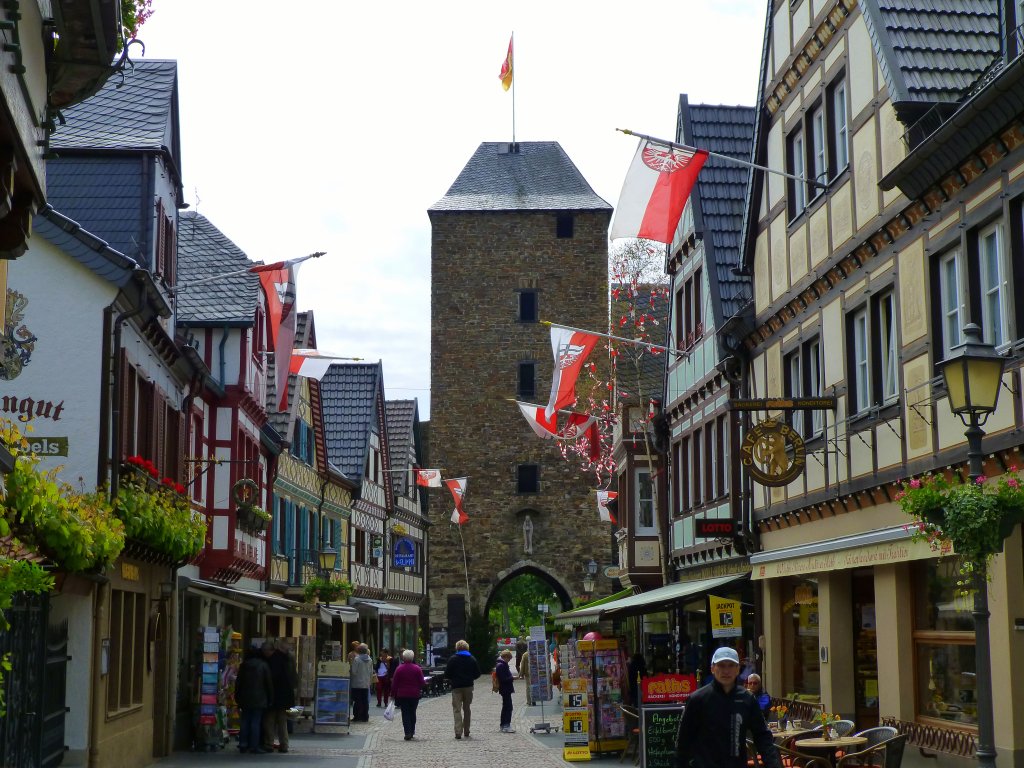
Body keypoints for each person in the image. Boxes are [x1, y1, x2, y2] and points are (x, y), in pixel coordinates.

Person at [675, 647, 780, 768]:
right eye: (721, 665)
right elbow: (683, 742)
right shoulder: (698, 699)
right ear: (712, 668)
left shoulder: (747, 699)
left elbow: (762, 736)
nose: (726, 670)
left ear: (737, 670)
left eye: (731, 665)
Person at [234, 647, 273, 754]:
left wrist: (237, 697)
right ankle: (254, 745)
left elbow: (238, 683)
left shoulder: (243, 666)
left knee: (245, 720)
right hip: (259, 698)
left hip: (245, 698)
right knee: (256, 722)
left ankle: (243, 743)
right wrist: (270, 698)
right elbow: (268, 683)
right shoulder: (263, 665)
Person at [261, 639, 298, 753]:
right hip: (285, 696)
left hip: (275, 696)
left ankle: (269, 743)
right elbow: (293, 678)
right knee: (282, 722)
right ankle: (284, 745)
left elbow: (271, 679)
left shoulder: (273, 660)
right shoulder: (287, 659)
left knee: (269, 721)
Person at [444, 639, 481, 740]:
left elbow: (447, 674)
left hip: (456, 687)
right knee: (467, 708)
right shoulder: (472, 659)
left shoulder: (453, 659)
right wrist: (470, 678)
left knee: (457, 709)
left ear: (457, 648)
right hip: (468, 686)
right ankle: (467, 730)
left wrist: (453, 678)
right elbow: (478, 674)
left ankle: (458, 732)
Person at [391, 648, 428, 740]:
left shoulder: (399, 669)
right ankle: (412, 731)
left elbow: (395, 683)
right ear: (412, 657)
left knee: (405, 713)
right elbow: (422, 682)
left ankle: (407, 732)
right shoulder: (417, 668)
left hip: (402, 694)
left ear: (403, 658)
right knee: (412, 712)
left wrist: (393, 694)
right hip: (414, 694)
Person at [350, 643, 374, 722]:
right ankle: (365, 716)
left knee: (357, 701)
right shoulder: (370, 660)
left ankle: (357, 716)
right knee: (365, 700)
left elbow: (354, 671)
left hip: (357, 683)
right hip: (366, 683)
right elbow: (371, 672)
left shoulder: (357, 659)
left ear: (359, 650)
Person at [495, 649, 516, 733]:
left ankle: (503, 724)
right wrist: (512, 678)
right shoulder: (501, 665)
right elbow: (503, 679)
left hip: (505, 689)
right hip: (505, 688)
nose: (509, 660)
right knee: (508, 707)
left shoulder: (502, 664)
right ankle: (506, 725)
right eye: (509, 658)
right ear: (505, 657)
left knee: (506, 706)